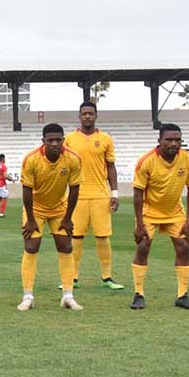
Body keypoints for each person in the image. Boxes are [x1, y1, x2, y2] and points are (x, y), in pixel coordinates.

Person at [131, 124, 189, 310]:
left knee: (183, 247)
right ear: (159, 141)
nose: (174, 143)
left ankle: (182, 296)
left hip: (174, 212)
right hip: (149, 211)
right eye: (169, 139)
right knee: (143, 247)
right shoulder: (147, 161)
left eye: (177, 140)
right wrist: (139, 224)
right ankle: (138, 294)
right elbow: (137, 194)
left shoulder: (188, 160)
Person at [18, 123, 83, 312]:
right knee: (31, 246)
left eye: (58, 140)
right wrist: (30, 220)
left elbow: (75, 189)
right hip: (35, 209)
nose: (54, 143)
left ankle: (68, 296)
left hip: (59, 208)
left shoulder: (73, 158)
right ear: (43, 141)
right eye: (50, 140)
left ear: (63, 140)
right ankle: (28, 296)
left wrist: (68, 218)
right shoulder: (31, 159)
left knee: (66, 246)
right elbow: (27, 191)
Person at [63, 101, 124, 290]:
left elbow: (111, 167)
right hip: (77, 196)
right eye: (84, 113)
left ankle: (107, 278)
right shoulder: (69, 139)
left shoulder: (105, 139)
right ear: (79, 116)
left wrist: (114, 193)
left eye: (91, 113)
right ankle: (72, 278)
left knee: (103, 237)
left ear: (96, 116)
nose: (87, 116)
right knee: (75, 237)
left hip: (100, 195)